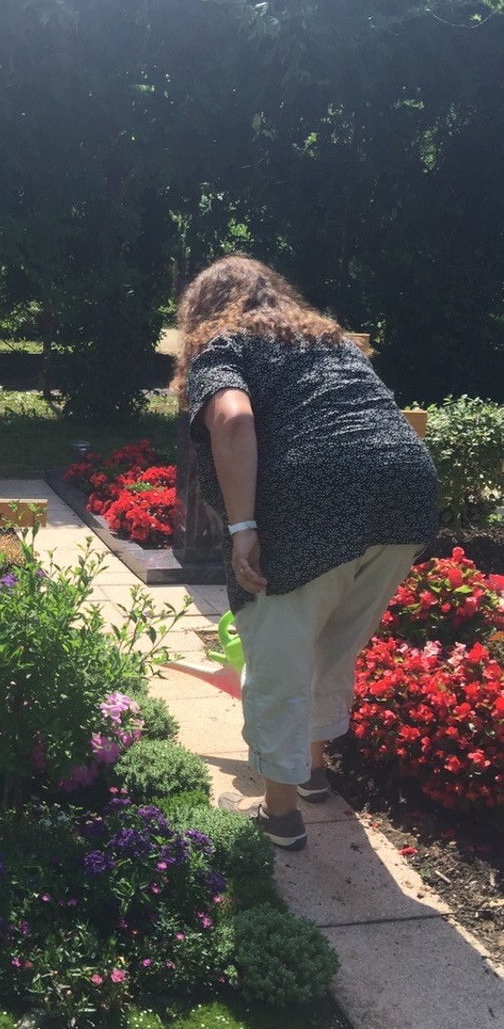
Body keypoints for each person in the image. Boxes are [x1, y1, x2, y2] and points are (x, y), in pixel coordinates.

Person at [174, 254, 438, 849]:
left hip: (314, 505)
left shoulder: (223, 346)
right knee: (331, 646)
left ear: (203, 308)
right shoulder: (332, 342)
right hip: (405, 497)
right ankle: (313, 771)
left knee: (279, 659)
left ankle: (281, 814)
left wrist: (243, 527)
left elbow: (235, 422)